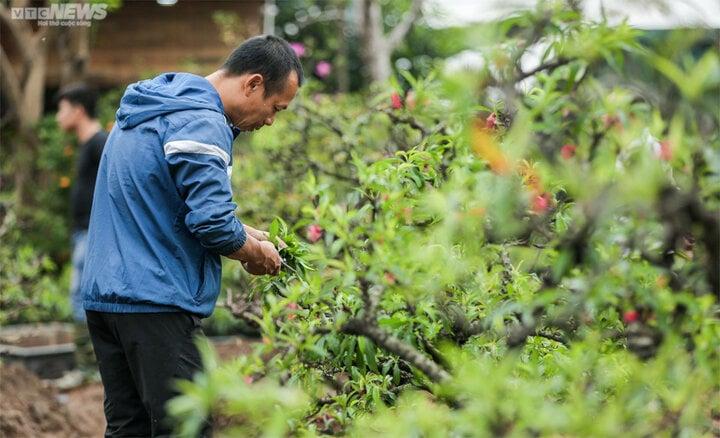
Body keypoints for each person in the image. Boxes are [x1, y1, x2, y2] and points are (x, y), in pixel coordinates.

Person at [80, 35, 303, 437]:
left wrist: (251, 232)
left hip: (107, 298)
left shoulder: (152, 109)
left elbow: (167, 203)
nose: (270, 120)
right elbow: (213, 224)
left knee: (129, 427)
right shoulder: (201, 120)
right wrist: (255, 254)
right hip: (155, 302)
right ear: (253, 83)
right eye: (275, 108)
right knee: (185, 428)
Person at [55, 84, 108, 323]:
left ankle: (87, 359)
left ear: (78, 111)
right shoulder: (86, 145)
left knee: (84, 298)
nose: (58, 117)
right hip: (83, 232)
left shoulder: (100, 143)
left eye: (62, 109)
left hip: (93, 233)